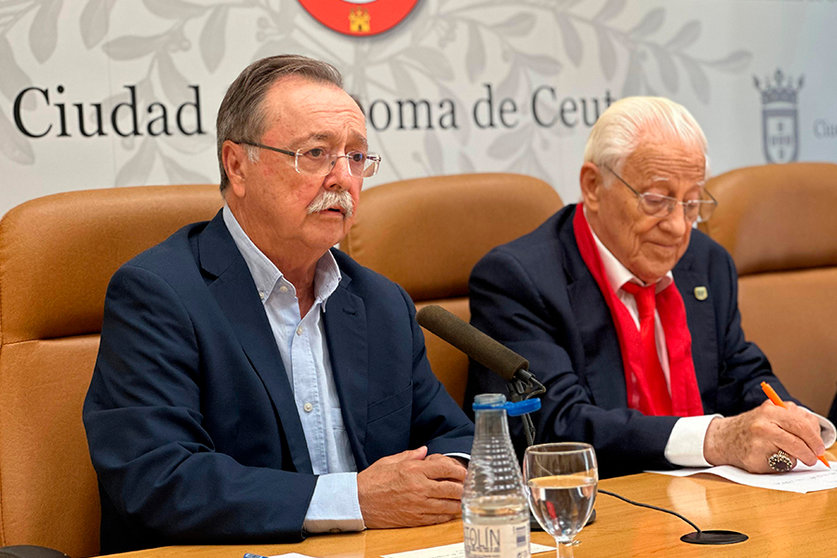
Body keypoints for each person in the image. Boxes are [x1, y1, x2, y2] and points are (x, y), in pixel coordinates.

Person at [83, 55, 473, 553]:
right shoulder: (157, 294)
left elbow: (453, 438)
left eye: (356, 157)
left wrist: (452, 474)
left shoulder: (379, 301)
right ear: (237, 166)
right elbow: (158, 478)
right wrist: (353, 499)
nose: (342, 179)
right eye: (315, 153)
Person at [465, 96, 835, 478]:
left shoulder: (706, 263)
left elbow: (741, 373)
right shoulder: (518, 278)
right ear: (593, 186)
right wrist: (716, 438)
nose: (678, 226)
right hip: (601, 509)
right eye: (657, 201)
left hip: (709, 502)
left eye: (692, 204)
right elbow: (554, 427)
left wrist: (792, 423)